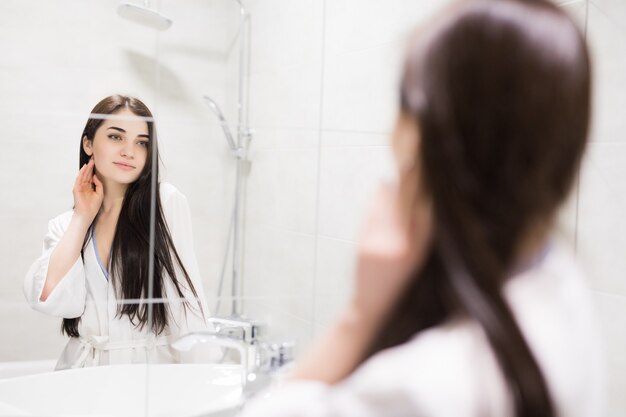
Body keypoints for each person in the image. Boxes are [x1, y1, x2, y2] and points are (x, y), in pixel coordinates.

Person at [240, 0, 604, 416]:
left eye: (405, 103)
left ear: (430, 139)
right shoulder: (561, 285)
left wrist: (360, 317)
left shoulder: (428, 388)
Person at [24, 95, 211, 370]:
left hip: (146, 373)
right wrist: (81, 217)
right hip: (83, 374)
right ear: (88, 144)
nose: (129, 151)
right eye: (115, 137)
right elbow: (48, 298)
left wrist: (203, 378)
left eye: (141, 143)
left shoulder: (165, 205)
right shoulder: (66, 224)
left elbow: (188, 306)